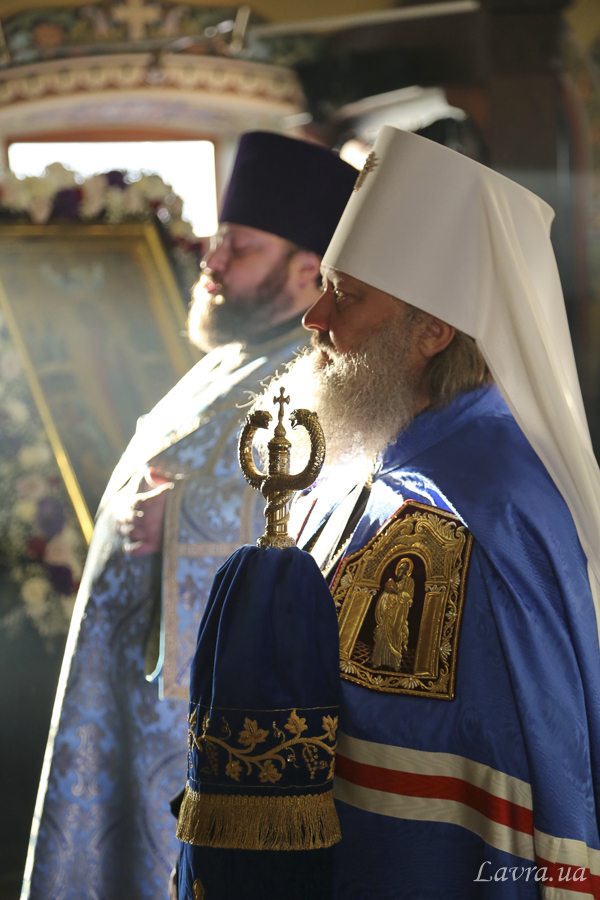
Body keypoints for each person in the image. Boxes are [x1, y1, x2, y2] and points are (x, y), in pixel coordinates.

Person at [248, 125, 600, 898]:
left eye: (348, 295)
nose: (315, 318)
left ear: (432, 332)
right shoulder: (368, 462)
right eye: (325, 285)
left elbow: (510, 765)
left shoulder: (486, 507)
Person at [22, 131, 357, 900]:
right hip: (124, 684)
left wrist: (179, 519)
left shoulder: (317, 374)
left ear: (307, 269)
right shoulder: (232, 356)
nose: (212, 257)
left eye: (240, 245)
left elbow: (316, 515)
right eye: (217, 237)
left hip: (190, 715)